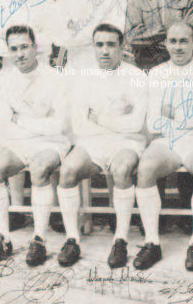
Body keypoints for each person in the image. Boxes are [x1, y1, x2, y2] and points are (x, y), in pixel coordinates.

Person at [133, 22, 193, 271]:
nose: (178, 46)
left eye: (184, 41)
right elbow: (153, 121)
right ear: (166, 44)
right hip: (170, 139)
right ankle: (152, 242)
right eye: (172, 41)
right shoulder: (157, 73)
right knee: (146, 168)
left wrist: (174, 114)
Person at [56, 23, 147, 267]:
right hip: (92, 142)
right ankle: (72, 239)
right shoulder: (84, 78)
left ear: (121, 47)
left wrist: (99, 117)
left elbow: (137, 124)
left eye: (111, 44)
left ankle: (120, 239)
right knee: (67, 171)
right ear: (93, 48)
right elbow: (79, 125)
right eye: (99, 45)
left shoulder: (136, 76)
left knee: (121, 170)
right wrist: (118, 120)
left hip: (127, 142)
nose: (105, 51)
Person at [125, 0, 193, 228]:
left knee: (186, 134)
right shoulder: (136, 1)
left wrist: (160, 35)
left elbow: (189, 35)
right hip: (148, 75)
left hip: (183, 73)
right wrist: (170, 32)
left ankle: (186, 212)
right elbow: (133, 38)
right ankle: (150, 216)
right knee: (152, 140)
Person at [0, 25, 70, 266]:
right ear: (9, 52)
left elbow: (58, 125)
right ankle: (3, 239)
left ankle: (39, 239)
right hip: (18, 141)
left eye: (24, 47)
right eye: (14, 49)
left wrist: (20, 119)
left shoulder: (55, 78)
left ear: (35, 47)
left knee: (40, 169)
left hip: (51, 142)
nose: (19, 54)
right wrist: (30, 124)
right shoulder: (6, 79)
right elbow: (2, 122)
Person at [0, 0, 58, 231]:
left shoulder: (46, 4)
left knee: (43, 140)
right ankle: (15, 208)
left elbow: (50, 40)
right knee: (13, 136)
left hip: (42, 75)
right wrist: (18, 47)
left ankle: (47, 213)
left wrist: (28, 45)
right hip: (9, 73)